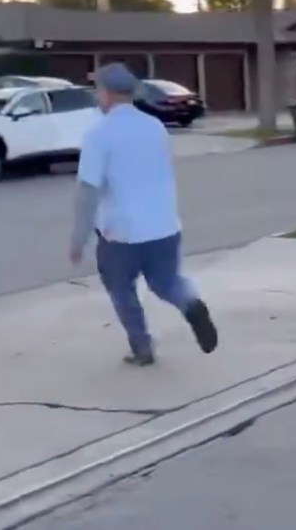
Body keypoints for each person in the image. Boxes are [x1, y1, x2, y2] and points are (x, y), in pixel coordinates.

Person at [70, 62, 218, 366]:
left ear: (107, 94)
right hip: (164, 227)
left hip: (120, 234)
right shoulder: (155, 127)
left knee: (121, 289)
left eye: (98, 90)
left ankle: (142, 348)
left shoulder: (99, 134)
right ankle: (191, 304)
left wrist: (78, 239)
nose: (98, 96)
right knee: (167, 282)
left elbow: (88, 192)